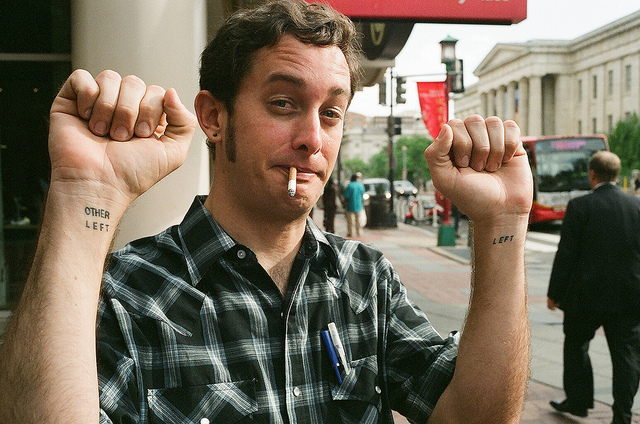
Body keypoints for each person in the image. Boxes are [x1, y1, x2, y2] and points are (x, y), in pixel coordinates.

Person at [0, 1, 533, 422]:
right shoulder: (129, 294)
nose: (312, 139)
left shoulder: (366, 281)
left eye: (331, 113)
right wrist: (85, 195)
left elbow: (475, 416)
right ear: (214, 117)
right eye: (283, 103)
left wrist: (502, 224)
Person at [547, 151, 640, 423]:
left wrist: (555, 292)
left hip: (585, 295)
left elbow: (567, 253)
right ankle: (622, 415)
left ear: (592, 174)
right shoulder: (636, 206)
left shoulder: (580, 206)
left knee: (576, 346)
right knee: (626, 356)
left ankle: (578, 402)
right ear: (617, 174)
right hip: (628, 295)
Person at [343, 173, 365, 237]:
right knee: (358, 220)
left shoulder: (350, 186)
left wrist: (344, 204)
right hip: (359, 205)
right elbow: (363, 194)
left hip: (350, 205)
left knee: (351, 220)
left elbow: (346, 196)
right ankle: (359, 232)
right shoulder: (361, 185)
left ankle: (351, 232)